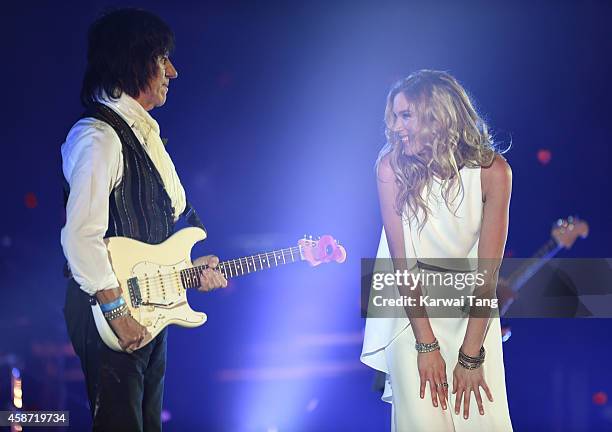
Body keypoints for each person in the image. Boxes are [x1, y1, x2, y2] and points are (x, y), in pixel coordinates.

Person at [61, 8, 227, 431]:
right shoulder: (98, 137)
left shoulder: (143, 133)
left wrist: (189, 269)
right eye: (162, 59)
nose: (172, 70)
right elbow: (81, 237)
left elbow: (161, 222)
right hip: (111, 310)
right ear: (132, 62)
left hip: (150, 306)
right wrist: (117, 310)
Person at [361, 70, 513, 431]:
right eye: (394, 117)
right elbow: (403, 268)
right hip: (412, 320)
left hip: (472, 320)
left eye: (406, 115)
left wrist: (471, 355)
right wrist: (425, 347)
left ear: (437, 114)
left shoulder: (494, 172)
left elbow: (487, 275)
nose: (396, 127)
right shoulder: (391, 167)